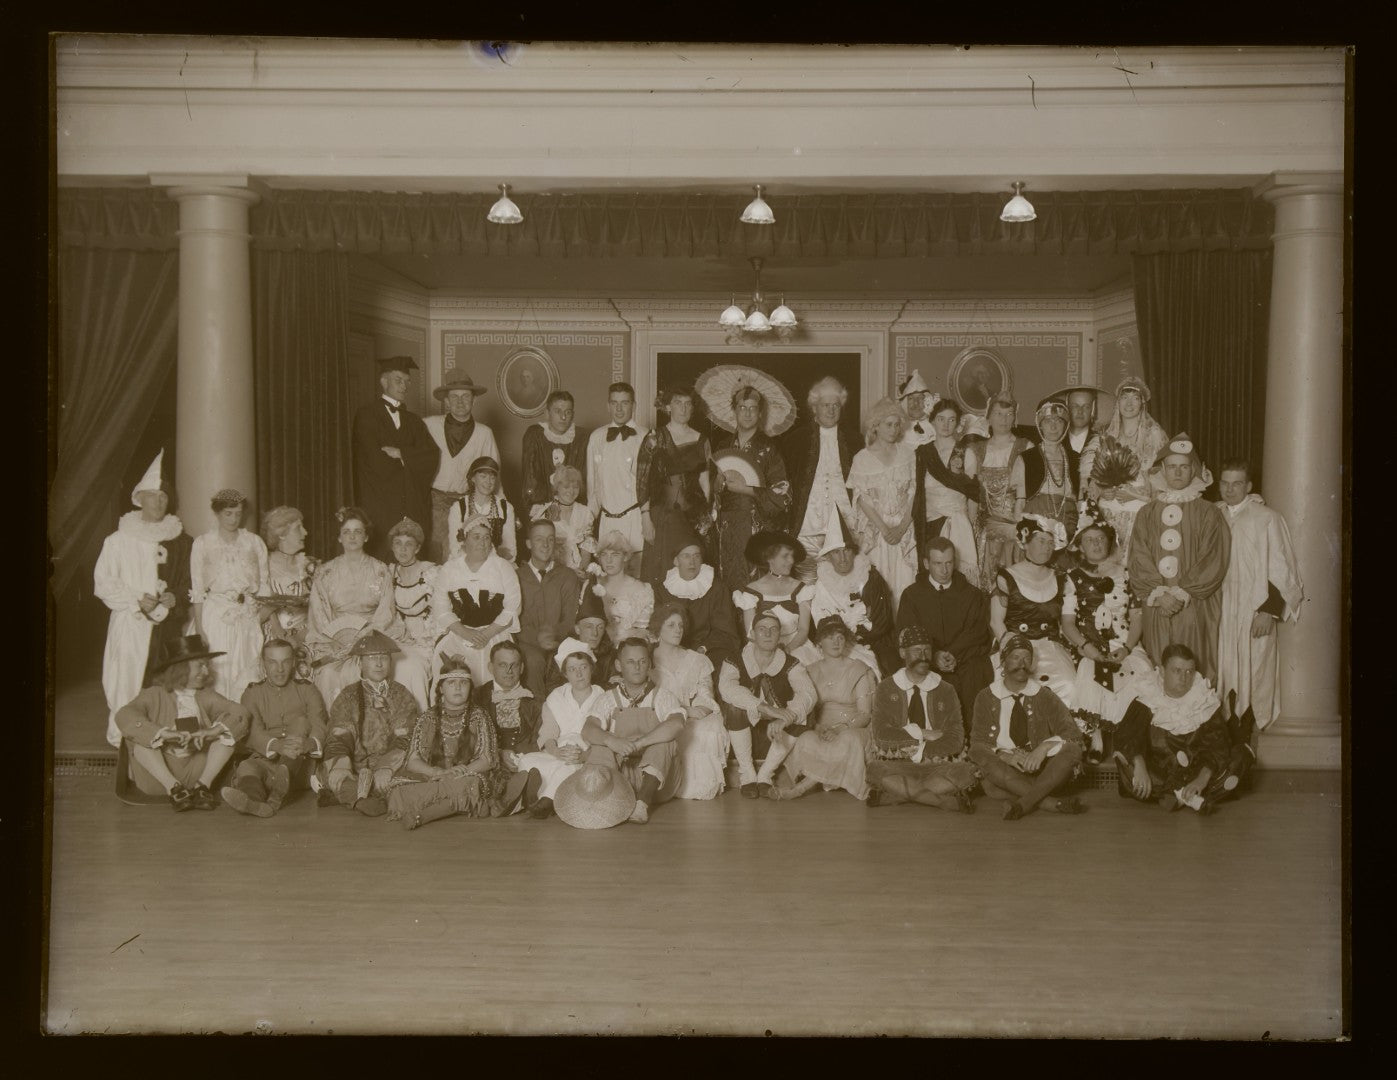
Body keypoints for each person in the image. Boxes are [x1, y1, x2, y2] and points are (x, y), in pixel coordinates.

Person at [94, 449, 194, 748]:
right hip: (132, 625)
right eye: (153, 495)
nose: (160, 501)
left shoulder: (180, 540)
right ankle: (130, 744)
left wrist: (176, 596)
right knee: (127, 681)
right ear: (139, 498)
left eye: (164, 495)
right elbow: (103, 582)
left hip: (169, 628)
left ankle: (170, 742)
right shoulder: (117, 541)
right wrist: (137, 598)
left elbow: (190, 580)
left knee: (171, 682)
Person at [304, 506, 430, 713]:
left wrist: (365, 636)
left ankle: (410, 730)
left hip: (375, 635)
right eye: (347, 532)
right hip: (337, 642)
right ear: (339, 538)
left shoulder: (380, 570)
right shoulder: (325, 572)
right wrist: (336, 642)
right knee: (328, 675)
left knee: (411, 666)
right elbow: (319, 615)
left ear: (366, 537)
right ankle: (339, 736)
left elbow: (385, 612)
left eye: (358, 531)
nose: (352, 537)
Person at [1129, 433, 1231, 683]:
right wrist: (1159, 593)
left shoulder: (1209, 513)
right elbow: (1138, 557)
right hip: (1157, 605)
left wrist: (1183, 592)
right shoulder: (1146, 513)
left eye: (1184, 467)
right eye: (1172, 467)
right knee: (1158, 666)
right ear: (1162, 469)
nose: (1177, 473)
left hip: (1194, 604)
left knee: (1193, 667)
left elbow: (1213, 559)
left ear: (1194, 470)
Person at [1215, 458, 1305, 737]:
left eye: (1237, 484)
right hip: (1219, 609)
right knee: (1221, 670)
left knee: (1254, 672)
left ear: (1249, 486)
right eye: (1225, 484)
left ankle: (1248, 739)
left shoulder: (1267, 518)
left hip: (1254, 609)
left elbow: (1282, 566)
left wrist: (1268, 611)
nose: (1230, 490)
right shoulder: (1211, 514)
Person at [1111, 643, 1254, 813]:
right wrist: (1139, 765)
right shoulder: (1147, 696)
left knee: (1242, 756)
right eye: (1177, 671)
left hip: (1197, 771)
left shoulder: (1203, 699)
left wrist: (1202, 779)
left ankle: (1178, 795)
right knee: (1127, 763)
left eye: (1189, 672)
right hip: (1160, 772)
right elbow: (1127, 735)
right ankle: (1189, 797)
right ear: (1163, 672)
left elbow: (1218, 744)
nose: (1184, 678)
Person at [114, 634, 249, 811]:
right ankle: (174, 789)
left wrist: (212, 731)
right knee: (140, 740)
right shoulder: (154, 694)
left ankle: (203, 787)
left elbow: (240, 712)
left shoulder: (206, 695)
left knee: (227, 733)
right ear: (180, 668)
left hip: (198, 772)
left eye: (206, 665)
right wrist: (162, 733)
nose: (206, 672)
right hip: (159, 776)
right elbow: (124, 714)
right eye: (200, 666)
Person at [1059, 500, 1152, 758]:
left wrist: (1128, 647)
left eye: (1100, 539)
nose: (1097, 544)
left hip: (1124, 642)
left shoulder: (1125, 575)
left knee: (1140, 675)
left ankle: (1129, 743)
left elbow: (1136, 617)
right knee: (1088, 674)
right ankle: (1095, 737)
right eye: (1090, 540)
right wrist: (1086, 648)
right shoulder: (1073, 577)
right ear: (1080, 546)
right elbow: (1067, 623)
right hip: (1088, 644)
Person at [968, 633, 1086, 820]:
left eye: (1027, 658)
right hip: (1005, 772)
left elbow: (1072, 734)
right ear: (1003, 662)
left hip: (1043, 771)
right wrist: (1004, 755)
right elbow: (977, 744)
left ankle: (1022, 803)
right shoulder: (985, 696)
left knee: (1073, 750)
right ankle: (1052, 803)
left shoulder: (1044, 695)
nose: (1022, 663)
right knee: (987, 764)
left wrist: (1043, 748)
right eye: (1015, 657)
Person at [863, 625, 979, 812]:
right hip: (898, 764)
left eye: (927, 650)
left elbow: (956, 739)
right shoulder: (886, 687)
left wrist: (923, 752)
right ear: (902, 653)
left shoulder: (946, 689)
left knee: (967, 772)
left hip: (938, 764)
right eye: (917, 650)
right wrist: (923, 734)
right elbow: (881, 735)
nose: (924, 656)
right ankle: (942, 802)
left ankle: (896, 795)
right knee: (875, 769)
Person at [386, 656, 502, 830]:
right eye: (451, 683)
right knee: (397, 789)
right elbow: (413, 761)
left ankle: (423, 815)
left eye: (463, 683)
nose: (457, 687)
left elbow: (487, 759)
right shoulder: (428, 718)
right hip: (435, 776)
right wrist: (437, 772)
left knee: (472, 784)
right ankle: (455, 805)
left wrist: (461, 772)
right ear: (440, 688)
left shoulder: (479, 716)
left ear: (470, 688)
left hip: (464, 776)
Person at [578, 638, 685, 824]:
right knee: (599, 746)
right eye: (630, 662)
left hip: (658, 783)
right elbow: (588, 730)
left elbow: (677, 725)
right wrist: (612, 741)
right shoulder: (607, 699)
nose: (637, 667)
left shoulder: (663, 696)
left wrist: (639, 743)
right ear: (619, 665)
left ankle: (641, 805)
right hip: (622, 778)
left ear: (650, 664)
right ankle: (602, 800)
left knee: (666, 741)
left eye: (642, 661)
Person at [895, 536, 994, 732]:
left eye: (949, 563)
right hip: (927, 661)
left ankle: (974, 742)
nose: (944, 570)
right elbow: (907, 634)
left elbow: (978, 632)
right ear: (926, 563)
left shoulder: (972, 594)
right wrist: (935, 655)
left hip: (965, 661)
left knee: (976, 674)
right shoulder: (912, 595)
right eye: (938, 563)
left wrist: (952, 654)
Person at [717, 610, 818, 798]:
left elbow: (807, 694)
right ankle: (747, 776)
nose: (768, 634)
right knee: (734, 706)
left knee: (803, 711)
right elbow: (727, 688)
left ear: (780, 634)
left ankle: (765, 775)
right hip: (744, 726)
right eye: (762, 629)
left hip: (779, 732)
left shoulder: (792, 663)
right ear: (752, 634)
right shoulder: (734, 660)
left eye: (773, 629)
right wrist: (763, 707)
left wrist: (786, 718)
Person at [223, 638, 328, 816]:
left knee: (301, 722)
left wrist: (309, 743)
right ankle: (254, 802)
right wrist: (276, 745)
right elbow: (253, 732)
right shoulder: (252, 693)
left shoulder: (308, 690)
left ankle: (278, 787)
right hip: (267, 760)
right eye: (273, 662)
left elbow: (319, 723)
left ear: (294, 662)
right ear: (263, 664)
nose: (280, 669)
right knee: (247, 767)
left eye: (285, 662)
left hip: (300, 765)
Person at [319, 629, 418, 817]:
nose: (379, 663)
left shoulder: (401, 694)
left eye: (384, 657)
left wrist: (386, 766)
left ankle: (353, 795)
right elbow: (339, 734)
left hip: (391, 767)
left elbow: (406, 736)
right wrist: (341, 765)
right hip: (354, 766)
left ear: (390, 662)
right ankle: (362, 795)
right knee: (331, 773)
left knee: (411, 777)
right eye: (372, 657)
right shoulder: (348, 695)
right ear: (360, 662)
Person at [776, 616, 874, 801]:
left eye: (840, 637)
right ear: (819, 641)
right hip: (822, 728)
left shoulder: (859, 669)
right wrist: (817, 727)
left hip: (853, 727)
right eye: (830, 637)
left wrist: (840, 728)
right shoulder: (810, 670)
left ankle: (799, 789)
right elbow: (808, 709)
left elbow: (865, 714)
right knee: (806, 738)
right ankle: (812, 781)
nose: (836, 642)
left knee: (847, 739)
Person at [351, 355, 439, 561]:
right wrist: (408, 461)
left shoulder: (414, 421)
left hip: (412, 503)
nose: (404, 386)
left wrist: (402, 454)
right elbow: (371, 459)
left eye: (407, 382)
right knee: (382, 556)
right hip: (381, 502)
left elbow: (432, 456)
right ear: (384, 381)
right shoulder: (367, 415)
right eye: (398, 380)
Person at [989, 516, 1080, 710]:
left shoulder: (1062, 579)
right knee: (1014, 694)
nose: (1047, 548)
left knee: (1070, 687)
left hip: (1049, 648)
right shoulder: (1007, 577)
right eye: (1041, 541)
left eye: (1050, 543)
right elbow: (996, 622)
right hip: (1014, 647)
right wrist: (1011, 648)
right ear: (1025, 543)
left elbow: (1067, 624)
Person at [189, 488, 269, 701]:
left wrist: (256, 619)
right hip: (216, 616)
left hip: (247, 615)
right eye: (228, 513)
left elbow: (265, 587)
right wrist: (199, 629)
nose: (233, 519)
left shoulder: (254, 542)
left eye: (238, 513)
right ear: (217, 514)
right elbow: (197, 589)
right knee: (219, 670)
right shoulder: (203, 543)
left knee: (247, 669)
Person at [713, 384, 792, 594]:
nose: (747, 412)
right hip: (727, 528)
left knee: (755, 586)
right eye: (742, 407)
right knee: (728, 584)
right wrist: (717, 485)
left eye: (752, 408)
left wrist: (746, 489)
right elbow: (711, 495)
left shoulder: (771, 448)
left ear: (760, 414)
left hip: (755, 526)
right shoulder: (722, 446)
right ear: (735, 411)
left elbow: (782, 495)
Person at [516, 638, 606, 819]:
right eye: (572, 669)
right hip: (560, 754)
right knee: (526, 761)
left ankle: (545, 801)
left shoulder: (604, 697)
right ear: (565, 673)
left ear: (592, 668)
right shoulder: (556, 697)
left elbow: (606, 737)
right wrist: (556, 751)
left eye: (583, 667)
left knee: (573, 751)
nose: (579, 674)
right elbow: (549, 732)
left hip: (589, 757)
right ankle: (551, 794)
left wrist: (584, 756)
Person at [430, 514, 523, 686]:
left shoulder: (503, 567)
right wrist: (467, 633)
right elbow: (441, 609)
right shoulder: (449, 569)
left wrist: (486, 634)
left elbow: (513, 607)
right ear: (464, 540)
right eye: (476, 537)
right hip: (460, 634)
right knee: (449, 668)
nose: (482, 542)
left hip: (495, 634)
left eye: (487, 537)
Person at [848, 397, 918, 618]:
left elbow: (914, 494)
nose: (894, 429)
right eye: (888, 424)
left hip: (904, 530)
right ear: (875, 425)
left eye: (897, 424)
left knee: (905, 582)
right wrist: (885, 529)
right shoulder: (862, 458)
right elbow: (862, 499)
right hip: (877, 533)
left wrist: (903, 526)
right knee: (877, 584)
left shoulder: (908, 454)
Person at [807, 506, 897, 677]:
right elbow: (821, 623)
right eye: (836, 553)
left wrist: (855, 636)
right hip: (834, 644)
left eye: (847, 551)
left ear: (853, 552)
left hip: (873, 642)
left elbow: (881, 621)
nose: (842, 559)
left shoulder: (870, 576)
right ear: (828, 556)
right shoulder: (822, 584)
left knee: (882, 670)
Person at [650, 603, 728, 800]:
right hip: (659, 714)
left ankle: (696, 786)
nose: (678, 630)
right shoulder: (647, 659)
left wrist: (700, 707)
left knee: (709, 727)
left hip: (691, 713)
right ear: (658, 628)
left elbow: (705, 692)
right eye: (671, 625)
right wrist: (683, 710)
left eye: (680, 625)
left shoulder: (696, 660)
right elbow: (649, 696)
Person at [424, 372, 500, 564]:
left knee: (465, 555)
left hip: (467, 505)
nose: (460, 402)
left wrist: (501, 509)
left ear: (474, 401)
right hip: (434, 503)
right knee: (436, 555)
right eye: (454, 397)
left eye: (465, 396)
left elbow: (493, 476)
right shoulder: (429, 425)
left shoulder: (484, 434)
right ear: (447, 401)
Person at [642, 386, 715, 586]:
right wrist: (645, 518)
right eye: (677, 403)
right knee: (662, 569)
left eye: (687, 403)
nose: (683, 408)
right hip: (662, 515)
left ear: (693, 408)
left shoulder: (702, 440)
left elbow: (705, 480)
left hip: (693, 516)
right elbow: (643, 480)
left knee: (691, 571)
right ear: (667, 406)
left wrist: (708, 514)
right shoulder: (654, 437)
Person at [784, 376, 856, 576]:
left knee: (843, 580)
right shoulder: (795, 440)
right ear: (814, 407)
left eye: (836, 405)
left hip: (845, 526)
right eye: (825, 405)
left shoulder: (854, 439)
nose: (831, 410)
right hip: (807, 526)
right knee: (808, 582)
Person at [586, 382, 655, 579]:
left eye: (624, 403)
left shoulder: (646, 437)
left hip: (636, 520)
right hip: (607, 522)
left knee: (636, 578)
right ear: (608, 405)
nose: (619, 408)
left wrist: (646, 518)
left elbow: (649, 485)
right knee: (608, 582)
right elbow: (594, 488)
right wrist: (586, 526)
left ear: (634, 405)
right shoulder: (597, 437)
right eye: (614, 403)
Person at [653, 521, 742, 673]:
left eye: (696, 556)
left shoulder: (716, 588)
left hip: (708, 648)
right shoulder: (662, 590)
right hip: (672, 646)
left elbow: (725, 631)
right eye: (686, 556)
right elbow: (658, 628)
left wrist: (702, 648)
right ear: (676, 561)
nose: (692, 562)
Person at [911, 396, 981, 583]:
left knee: (958, 578)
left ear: (958, 424)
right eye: (941, 419)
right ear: (932, 420)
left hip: (958, 523)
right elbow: (916, 493)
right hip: (929, 524)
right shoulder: (923, 453)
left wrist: (970, 526)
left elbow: (973, 494)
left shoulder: (966, 453)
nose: (946, 424)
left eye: (951, 420)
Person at [963, 396, 1029, 593]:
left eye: (1009, 414)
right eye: (998, 414)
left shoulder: (1026, 447)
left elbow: (1028, 494)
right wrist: (971, 530)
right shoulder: (975, 450)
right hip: (984, 529)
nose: (1004, 419)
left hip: (1015, 529)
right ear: (988, 417)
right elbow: (971, 496)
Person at [471, 640, 543, 811]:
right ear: (491, 667)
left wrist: (520, 757)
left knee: (536, 770)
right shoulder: (476, 696)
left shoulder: (535, 699)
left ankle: (513, 798)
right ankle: (512, 799)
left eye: (514, 665)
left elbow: (538, 735)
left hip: (523, 758)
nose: (509, 671)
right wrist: (498, 753)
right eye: (502, 665)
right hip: (489, 757)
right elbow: (471, 736)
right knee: (480, 777)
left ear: (522, 668)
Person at [515, 518, 582, 699]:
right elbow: (515, 619)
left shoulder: (567, 576)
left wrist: (553, 637)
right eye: (539, 539)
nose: (545, 545)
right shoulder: (517, 577)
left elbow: (570, 618)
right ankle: (536, 717)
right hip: (527, 642)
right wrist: (538, 639)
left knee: (567, 661)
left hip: (559, 641)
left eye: (550, 539)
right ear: (528, 543)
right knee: (533, 661)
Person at [733, 529, 814, 662]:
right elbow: (750, 634)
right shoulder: (752, 591)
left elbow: (803, 630)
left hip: (796, 648)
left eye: (792, 556)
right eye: (785, 556)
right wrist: (770, 652)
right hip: (761, 648)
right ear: (770, 558)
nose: (791, 560)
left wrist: (787, 650)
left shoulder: (801, 589)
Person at [257, 505, 317, 679]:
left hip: (305, 636)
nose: (305, 533)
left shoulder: (309, 566)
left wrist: (299, 638)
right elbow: (259, 610)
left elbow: (318, 610)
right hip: (271, 637)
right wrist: (280, 634)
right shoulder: (263, 566)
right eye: (299, 528)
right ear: (281, 534)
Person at [385, 516, 439, 694]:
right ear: (392, 546)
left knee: (411, 668)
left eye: (408, 544)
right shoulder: (388, 572)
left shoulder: (431, 572)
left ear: (417, 548)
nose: (402, 549)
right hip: (397, 639)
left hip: (426, 642)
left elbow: (442, 612)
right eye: (398, 543)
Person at [1019, 398, 1080, 544]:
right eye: (1048, 421)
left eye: (1058, 421)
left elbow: (1081, 500)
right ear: (1040, 425)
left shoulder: (1076, 459)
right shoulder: (1026, 458)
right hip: (1036, 527)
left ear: (1066, 425)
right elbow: (1019, 502)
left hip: (1069, 527)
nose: (1053, 427)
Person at [521, 389, 589, 516]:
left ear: (573, 415)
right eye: (558, 411)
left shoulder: (583, 438)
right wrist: (540, 510)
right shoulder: (535, 435)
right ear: (547, 413)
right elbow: (530, 477)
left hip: (572, 507)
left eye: (567, 412)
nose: (563, 417)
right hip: (542, 507)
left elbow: (584, 479)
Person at [445, 456, 517, 564]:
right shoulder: (459, 507)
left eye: (492, 478)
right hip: (465, 564)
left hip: (496, 564)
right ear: (473, 478)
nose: (488, 482)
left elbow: (510, 550)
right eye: (483, 476)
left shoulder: (505, 507)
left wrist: (489, 562)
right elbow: (455, 547)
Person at [590, 530, 655, 645]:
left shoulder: (641, 590)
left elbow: (641, 632)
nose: (608, 560)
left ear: (625, 557)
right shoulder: (593, 584)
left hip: (628, 649)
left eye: (615, 554)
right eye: (604, 554)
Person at [530, 464, 595, 573]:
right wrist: (567, 573)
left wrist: (582, 570)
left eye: (575, 487)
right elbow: (541, 550)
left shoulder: (585, 512)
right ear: (557, 488)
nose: (571, 491)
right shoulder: (545, 512)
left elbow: (587, 547)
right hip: (553, 570)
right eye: (566, 487)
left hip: (579, 569)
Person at [1050, 384, 1111, 494]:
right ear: (1067, 408)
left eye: (1086, 407)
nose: (1080, 411)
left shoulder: (1103, 443)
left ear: (1093, 410)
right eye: (1075, 406)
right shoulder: (1054, 440)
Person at [896, 370, 936, 450]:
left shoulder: (937, 427)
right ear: (904, 403)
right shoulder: (896, 428)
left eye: (920, 398)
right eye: (911, 399)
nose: (916, 403)